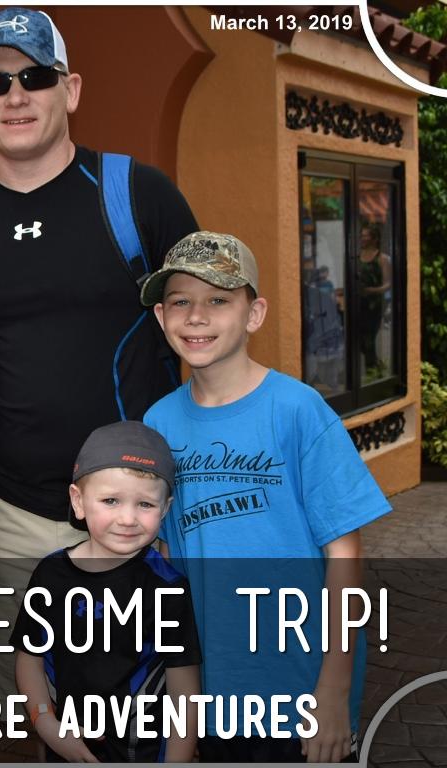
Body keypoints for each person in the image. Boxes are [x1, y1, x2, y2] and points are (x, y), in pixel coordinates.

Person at [0, 6, 199, 700]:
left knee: (147, 707)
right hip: (11, 514)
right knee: (39, 710)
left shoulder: (139, 194)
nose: (15, 96)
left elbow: (208, 336)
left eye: (35, 77)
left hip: (137, 515)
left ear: (69, 90)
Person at [140, 231, 392, 762]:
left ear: (254, 314)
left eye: (218, 300)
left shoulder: (299, 410)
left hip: (301, 683)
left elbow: (345, 554)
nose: (197, 317)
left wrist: (334, 687)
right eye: (180, 302)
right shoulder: (158, 422)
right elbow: (166, 555)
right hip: (212, 687)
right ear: (161, 317)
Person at [11, 421, 200, 762]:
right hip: (67, 747)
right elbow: (29, 658)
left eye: (145, 504)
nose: (127, 518)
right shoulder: (51, 574)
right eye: (110, 500)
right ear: (78, 501)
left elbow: (184, 692)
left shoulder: (167, 588)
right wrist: (45, 722)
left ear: (166, 509)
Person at [357, 224, 392, 379]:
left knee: (369, 338)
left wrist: (372, 290)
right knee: (358, 340)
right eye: (362, 235)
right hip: (358, 304)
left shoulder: (382, 259)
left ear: (375, 238)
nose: (363, 238)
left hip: (374, 306)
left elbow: (388, 284)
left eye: (366, 235)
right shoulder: (356, 257)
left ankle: (372, 372)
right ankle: (376, 366)